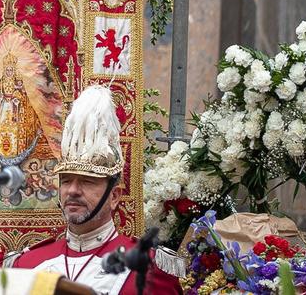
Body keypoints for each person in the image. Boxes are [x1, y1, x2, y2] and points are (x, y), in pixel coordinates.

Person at [13, 87, 181, 295]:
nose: (73, 191)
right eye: (66, 181)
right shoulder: (28, 264)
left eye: (88, 182)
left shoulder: (149, 268)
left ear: (114, 196)